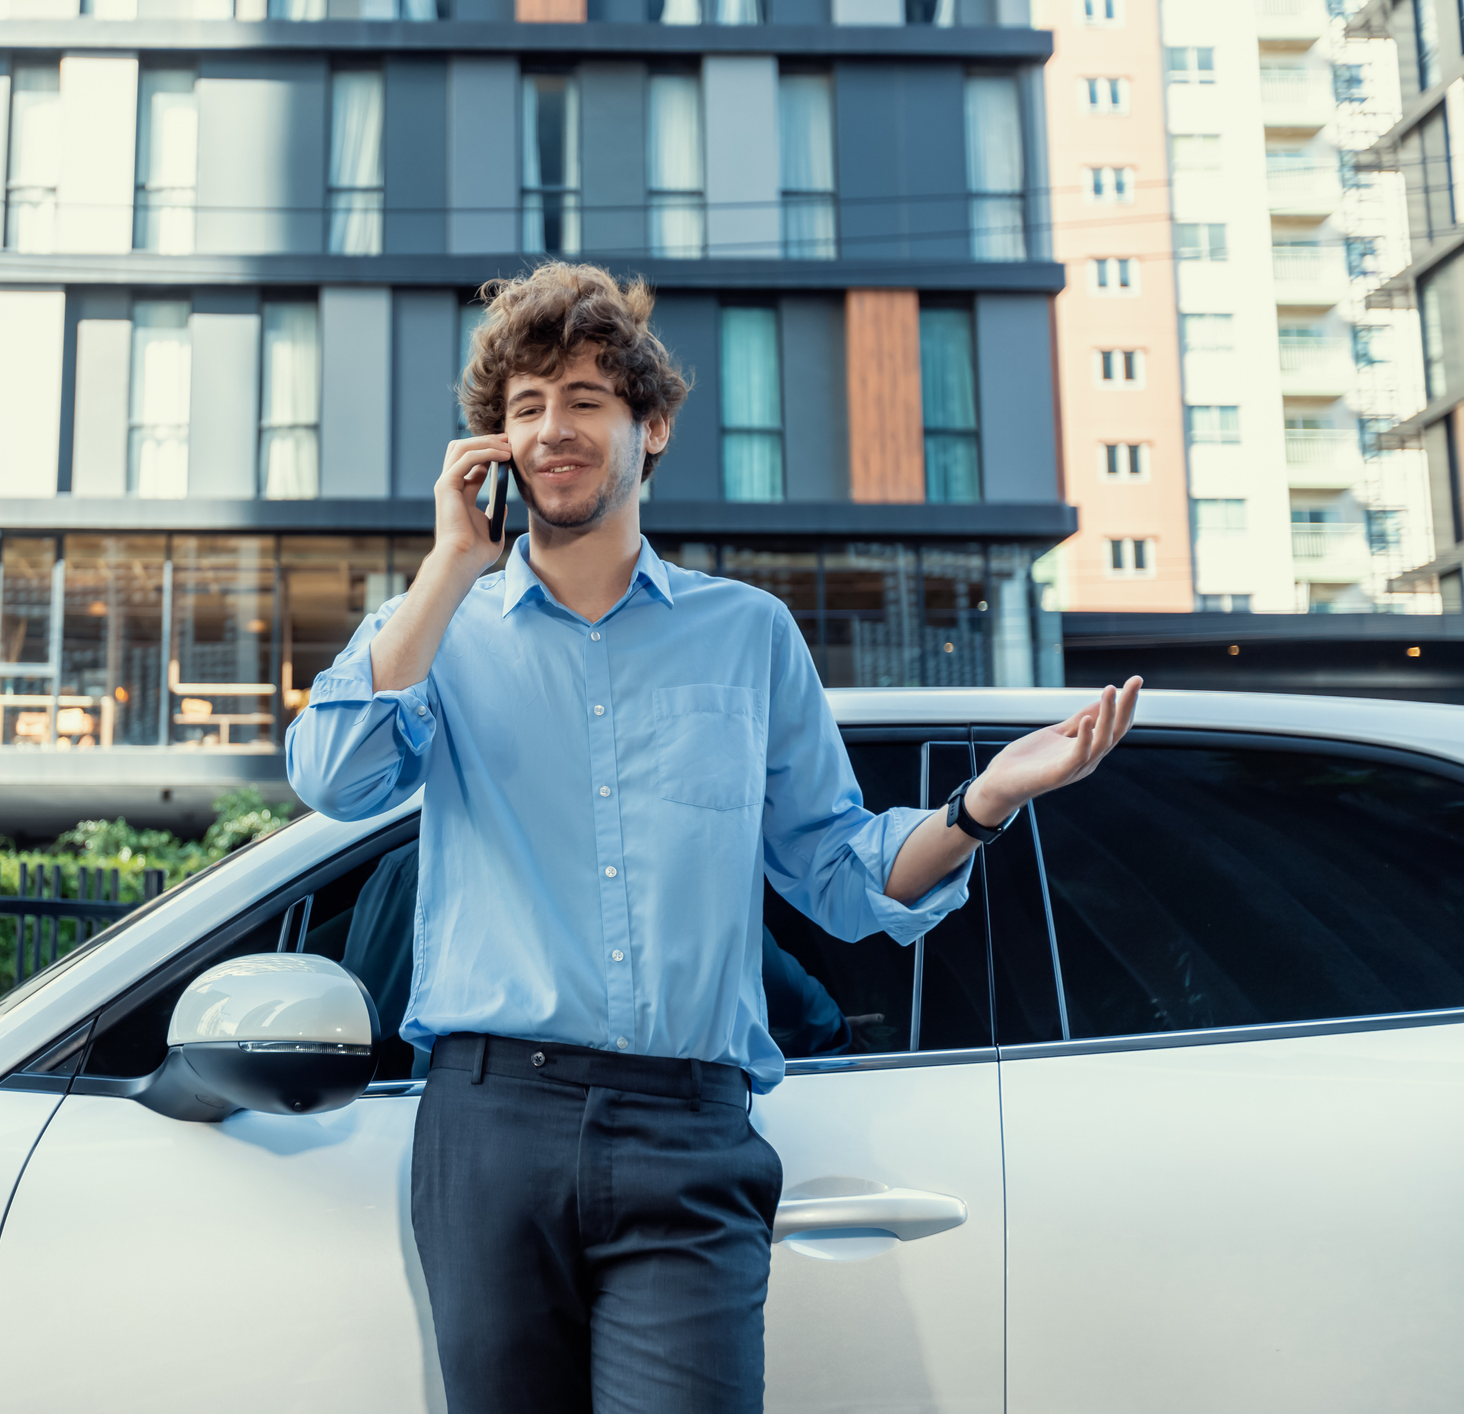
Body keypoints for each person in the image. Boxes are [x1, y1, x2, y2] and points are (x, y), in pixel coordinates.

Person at [284, 262, 1140, 1414]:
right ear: (492, 446)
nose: (553, 429)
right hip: (491, 1126)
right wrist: (446, 569)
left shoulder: (751, 635)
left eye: (586, 398)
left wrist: (982, 800)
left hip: (688, 1131)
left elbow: (843, 874)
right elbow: (333, 776)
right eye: (524, 408)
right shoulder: (442, 631)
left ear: (654, 426)